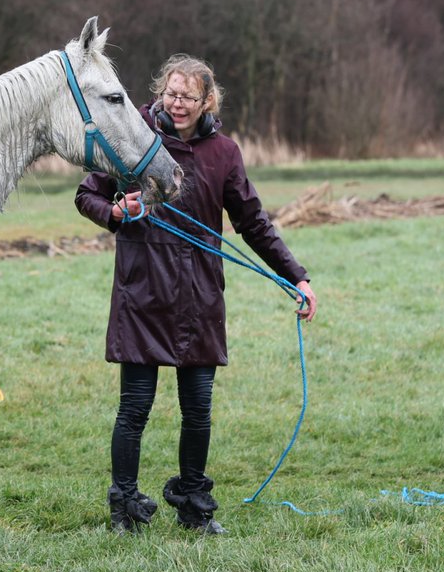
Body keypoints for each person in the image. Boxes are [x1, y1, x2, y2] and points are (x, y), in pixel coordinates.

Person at [75, 54, 317, 535]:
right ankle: (124, 508)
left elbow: (252, 222)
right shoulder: (134, 137)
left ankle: (193, 505)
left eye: (188, 96)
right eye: (171, 93)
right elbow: (88, 194)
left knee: (198, 410)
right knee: (134, 408)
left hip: (198, 298)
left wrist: (297, 276)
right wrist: (116, 214)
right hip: (142, 293)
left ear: (208, 101)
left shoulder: (224, 153)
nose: (177, 104)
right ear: (160, 92)